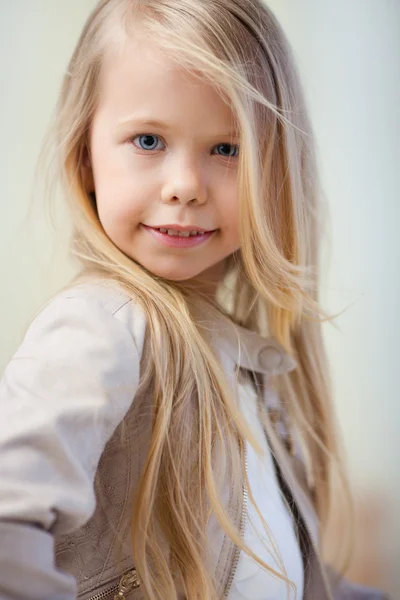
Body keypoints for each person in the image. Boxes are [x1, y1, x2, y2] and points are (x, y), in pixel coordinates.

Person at [0, 1, 390, 599]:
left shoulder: (244, 362)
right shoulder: (102, 327)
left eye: (227, 150)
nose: (185, 186)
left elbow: (278, 576)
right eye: (148, 140)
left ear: (276, 169)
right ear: (86, 157)